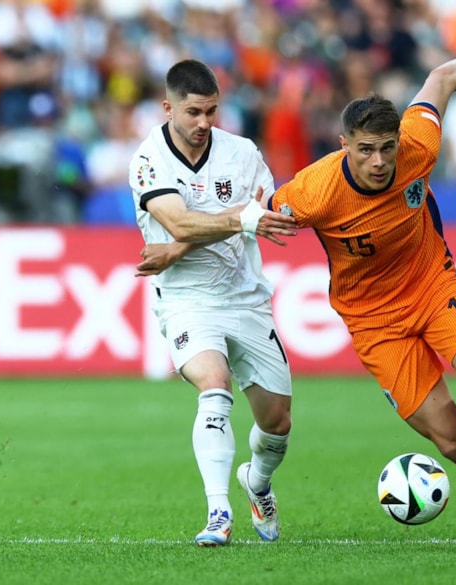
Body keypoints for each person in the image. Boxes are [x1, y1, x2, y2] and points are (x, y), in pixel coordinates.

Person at [138, 46, 456, 544]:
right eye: (365, 150)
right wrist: (176, 247)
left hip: (434, 288)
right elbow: (254, 218)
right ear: (344, 146)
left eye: (386, 148)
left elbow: (440, 78)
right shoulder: (314, 191)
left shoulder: (419, 146)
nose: (378, 162)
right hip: (375, 325)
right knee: (453, 443)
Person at [128, 59, 298, 547]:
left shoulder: (242, 153)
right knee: (214, 384)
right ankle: (218, 512)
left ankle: (257, 482)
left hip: (246, 298)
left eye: (212, 111)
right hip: (187, 299)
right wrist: (237, 218)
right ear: (168, 108)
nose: (204, 122)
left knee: (277, 423)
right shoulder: (148, 159)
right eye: (193, 112)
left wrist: (177, 248)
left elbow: (264, 213)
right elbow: (180, 221)